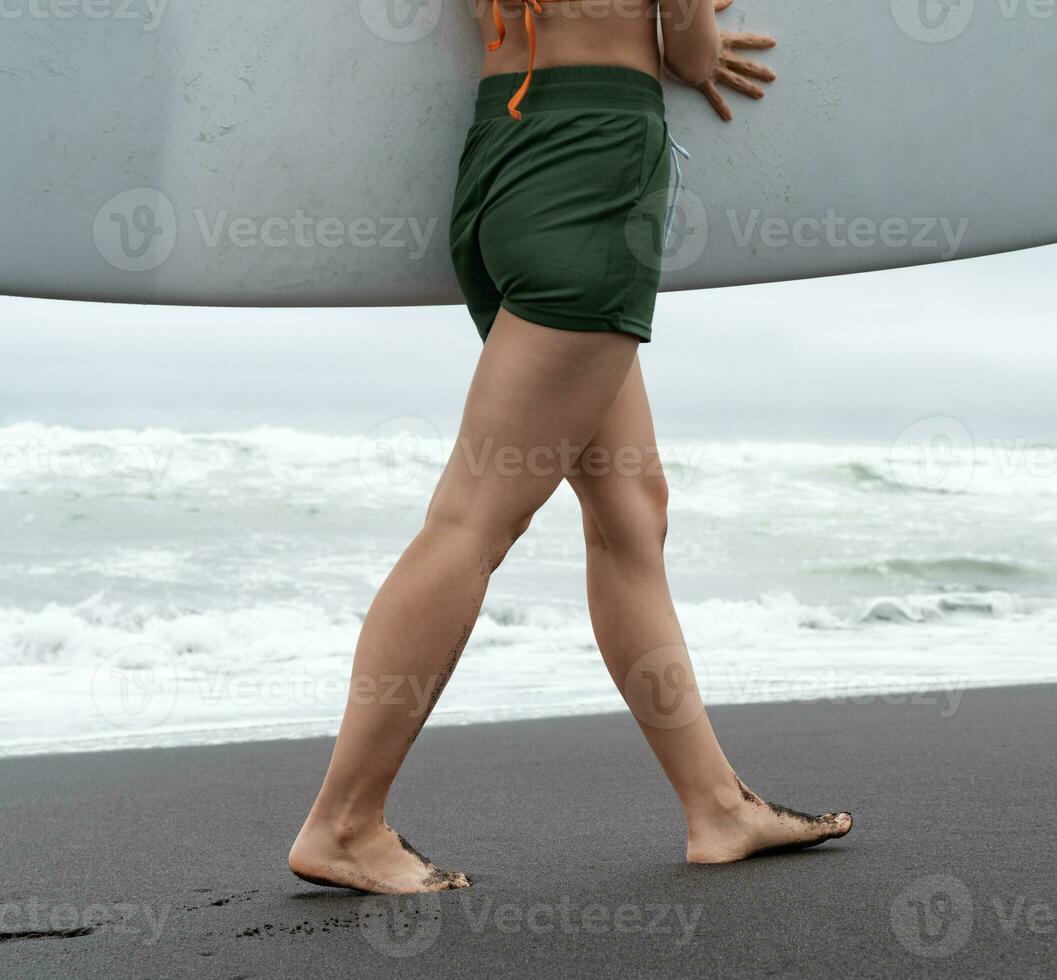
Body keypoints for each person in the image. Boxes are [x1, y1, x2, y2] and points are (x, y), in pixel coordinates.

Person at [289, 0, 851, 895]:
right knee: (472, 521)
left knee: (632, 513)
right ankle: (346, 823)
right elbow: (689, 50)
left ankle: (718, 806)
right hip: (596, 176)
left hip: (501, 166)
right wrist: (697, 29)